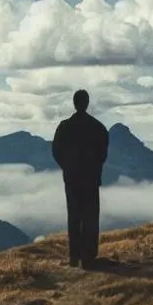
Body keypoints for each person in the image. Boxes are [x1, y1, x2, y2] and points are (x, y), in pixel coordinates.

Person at [52, 89, 109, 269]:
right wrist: (94, 168)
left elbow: (56, 151)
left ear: (74, 103)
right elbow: (102, 153)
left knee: (74, 217)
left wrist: (67, 167)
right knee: (91, 216)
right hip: (91, 179)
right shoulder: (98, 127)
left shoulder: (64, 126)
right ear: (87, 103)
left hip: (72, 178)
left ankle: (74, 256)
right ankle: (89, 257)